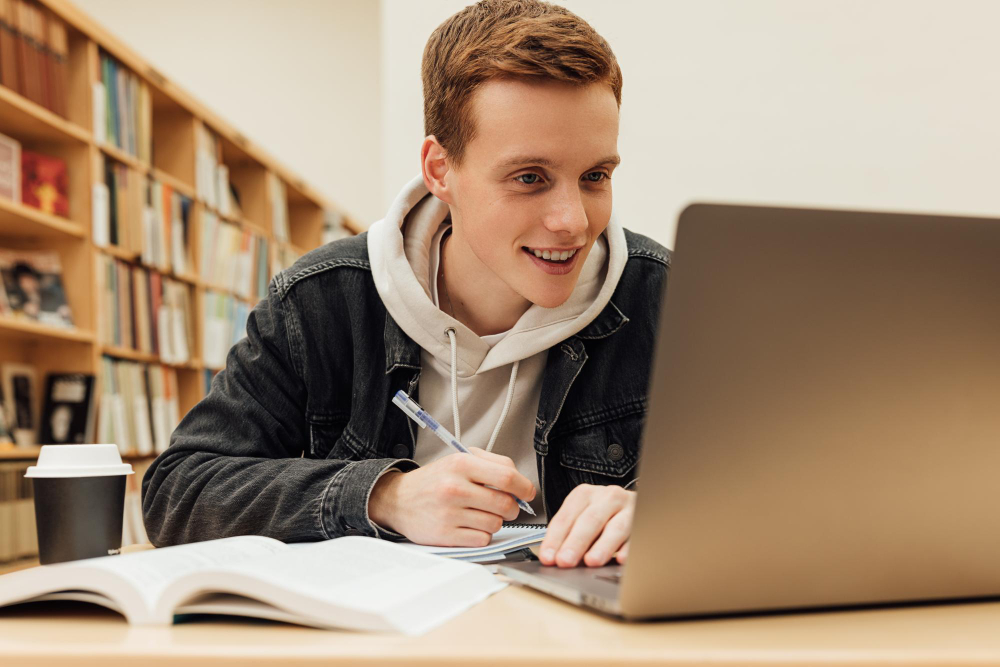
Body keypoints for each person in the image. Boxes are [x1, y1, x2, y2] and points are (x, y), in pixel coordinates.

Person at [142, 0, 670, 569]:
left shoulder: (668, 297)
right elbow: (179, 491)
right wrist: (384, 496)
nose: (573, 221)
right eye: (529, 178)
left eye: (595, 176)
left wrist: (666, 512)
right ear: (440, 170)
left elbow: (746, 487)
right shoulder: (321, 302)